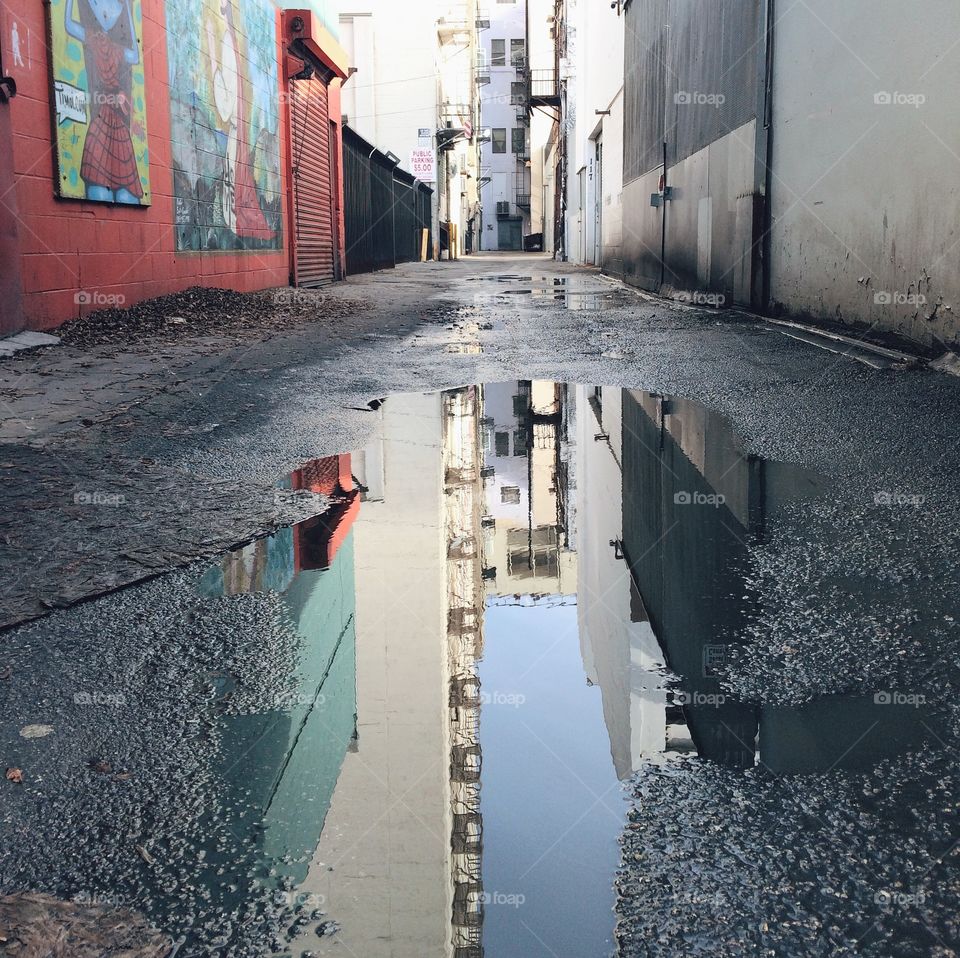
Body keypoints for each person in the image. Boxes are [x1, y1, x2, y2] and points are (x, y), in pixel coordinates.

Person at [64, 0, 143, 204]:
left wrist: (128, 14)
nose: (106, 15)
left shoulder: (116, 49)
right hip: (103, 113)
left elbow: (135, 55)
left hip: (117, 120)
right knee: (98, 182)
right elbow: (68, 25)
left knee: (127, 192)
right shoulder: (93, 39)